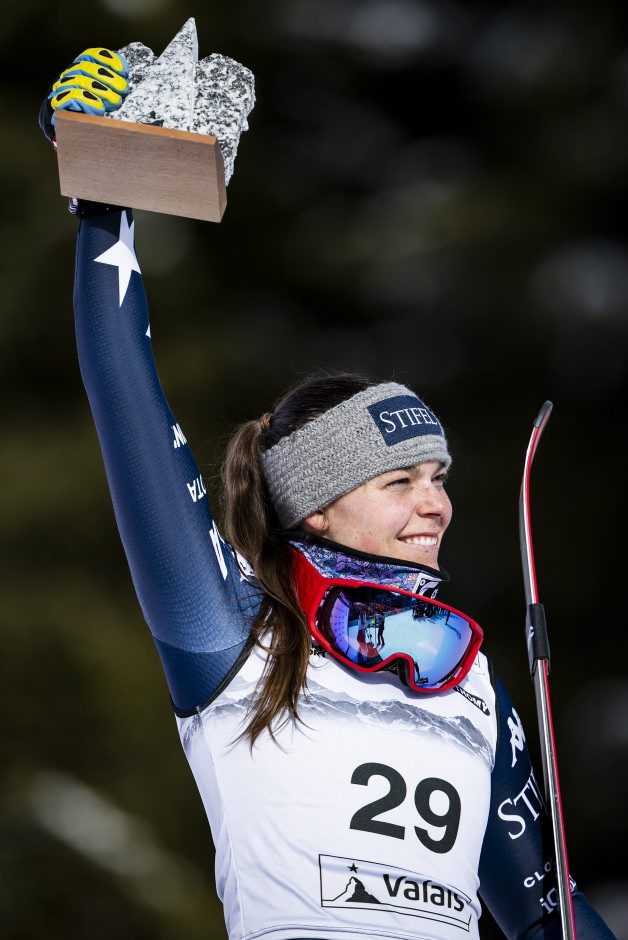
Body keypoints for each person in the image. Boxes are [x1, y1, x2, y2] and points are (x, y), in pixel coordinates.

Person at [39, 49, 618, 940]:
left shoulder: (469, 681)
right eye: (400, 482)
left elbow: (550, 916)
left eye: (439, 479)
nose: (437, 505)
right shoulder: (232, 630)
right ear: (316, 505)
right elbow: (126, 399)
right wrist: (102, 202)